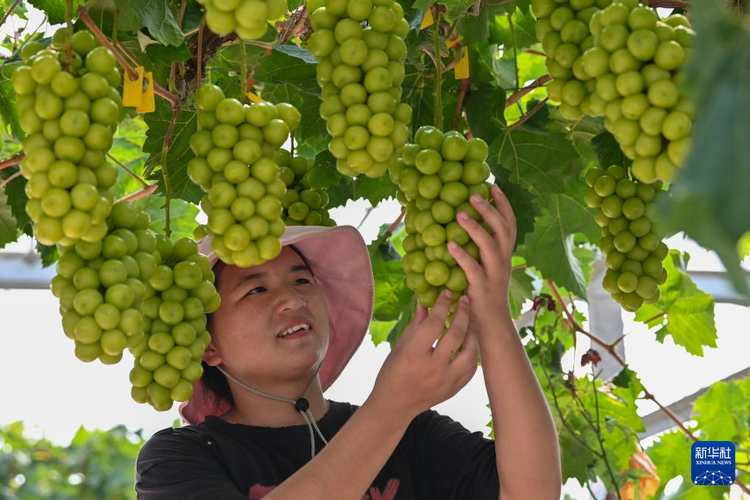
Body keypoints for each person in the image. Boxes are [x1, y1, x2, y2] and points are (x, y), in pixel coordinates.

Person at [135, 185, 562, 499]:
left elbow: (533, 493)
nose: (292, 298)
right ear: (208, 346)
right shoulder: (180, 457)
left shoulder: (413, 433)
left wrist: (494, 316)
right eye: (256, 290)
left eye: (302, 279)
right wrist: (391, 406)